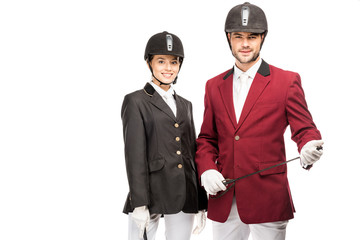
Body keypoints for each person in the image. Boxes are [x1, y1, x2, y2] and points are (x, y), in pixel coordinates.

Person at [195, 2, 324, 240]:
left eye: (252, 37)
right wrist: (207, 169)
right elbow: (206, 138)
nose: (245, 44)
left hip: (268, 198)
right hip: (224, 196)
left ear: (262, 38)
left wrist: (308, 145)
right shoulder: (213, 86)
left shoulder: (286, 81)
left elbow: (305, 129)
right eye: (238, 36)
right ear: (228, 38)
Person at [121, 31, 208, 240]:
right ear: (149, 62)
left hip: (184, 192)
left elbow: (190, 154)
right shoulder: (136, 101)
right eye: (161, 61)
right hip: (151, 192)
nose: (168, 68)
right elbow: (135, 156)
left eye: (174, 62)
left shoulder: (186, 104)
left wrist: (200, 202)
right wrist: (139, 202)